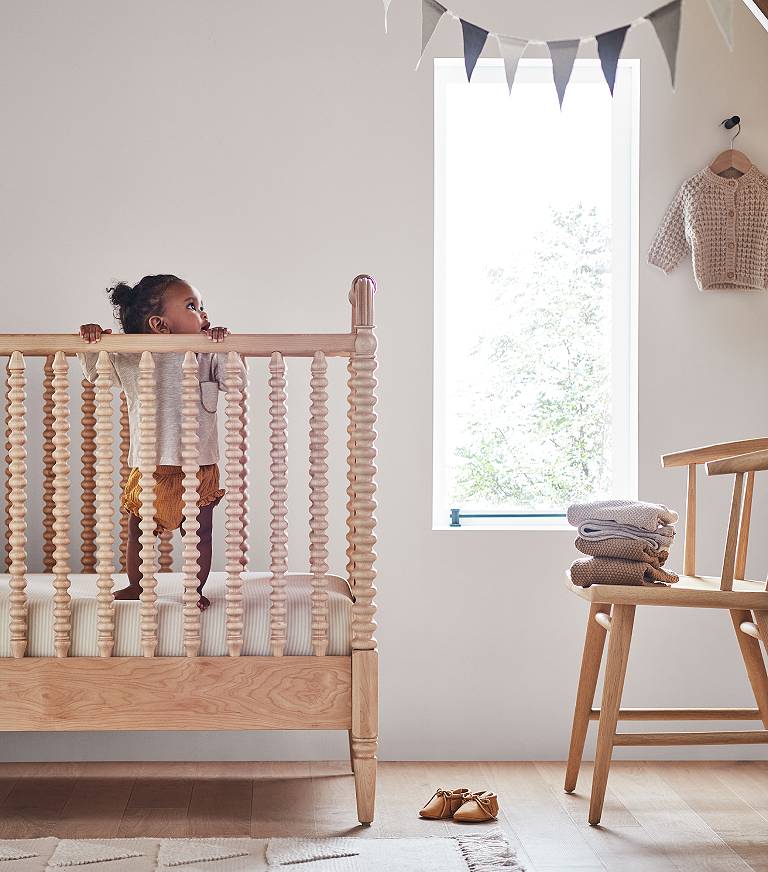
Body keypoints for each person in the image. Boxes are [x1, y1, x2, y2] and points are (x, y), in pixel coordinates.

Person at [79, 273, 243, 610]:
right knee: (139, 531)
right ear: (160, 325)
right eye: (192, 306)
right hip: (150, 467)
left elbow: (235, 381)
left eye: (202, 306)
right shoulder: (134, 355)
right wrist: (93, 340)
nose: (204, 313)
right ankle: (137, 586)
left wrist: (223, 347)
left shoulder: (204, 354)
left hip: (199, 468)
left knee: (200, 535)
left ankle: (193, 590)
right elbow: (96, 371)